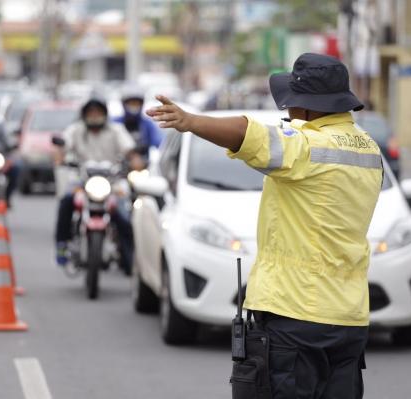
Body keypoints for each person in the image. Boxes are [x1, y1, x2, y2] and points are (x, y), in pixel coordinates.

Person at [147, 53, 383, 399]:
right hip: (349, 318)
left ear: (307, 107)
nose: (287, 112)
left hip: (296, 314)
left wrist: (191, 121)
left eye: (291, 105)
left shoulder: (307, 146)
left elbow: (249, 134)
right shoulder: (368, 149)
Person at [54, 95, 137, 273]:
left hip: (112, 182)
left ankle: (130, 259)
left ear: (105, 114)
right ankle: (62, 245)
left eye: (98, 112)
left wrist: (134, 160)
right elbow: (63, 145)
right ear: (84, 115)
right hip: (83, 181)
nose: (94, 116)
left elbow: (129, 150)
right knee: (66, 200)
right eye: (90, 113)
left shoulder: (116, 130)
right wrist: (59, 155)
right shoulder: (76, 130)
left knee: (124, 213)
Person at [113, 84, 163, 161]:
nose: (134, 106)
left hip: (142, 167)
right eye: (131, 103)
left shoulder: (148, 125)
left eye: (136, 103)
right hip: (117, 166)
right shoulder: (115, 124)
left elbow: (160, 143)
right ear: (124, 104)